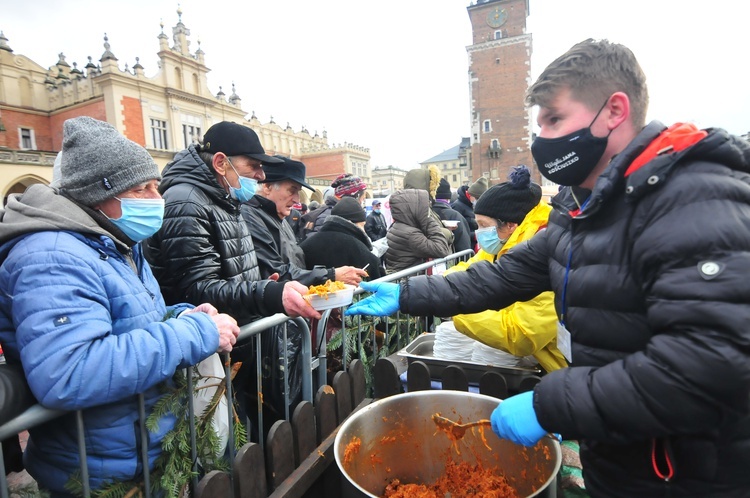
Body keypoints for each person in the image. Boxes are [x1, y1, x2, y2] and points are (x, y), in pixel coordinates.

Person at [346, 39, 750, 497]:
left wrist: (551, 405)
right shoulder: (580, 208)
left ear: (614, 110)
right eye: (540, 124)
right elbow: (502, 276)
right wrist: (409, 295)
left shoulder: (694, 196)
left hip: (690, 473)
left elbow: (708, 362)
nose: (543, 139)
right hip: (620, 455)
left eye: (555, 119)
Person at [0, 116, 240, 496]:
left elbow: (129, 323)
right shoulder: (51, 256)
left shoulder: (114, 241)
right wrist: (193, 333)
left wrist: (182, 316)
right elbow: (70, 372)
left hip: (134, 453)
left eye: (155, 186)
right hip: (97, 471)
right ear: (97, 194)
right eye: (142, 189)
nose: (157, 199)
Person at [144, 121, 320, 424]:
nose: (262, 176)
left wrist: (260, 284)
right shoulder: (187, 201)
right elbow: (198, 289)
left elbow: (229, 271)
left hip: (234, 346)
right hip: (207, 355)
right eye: (253, 166)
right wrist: (265, 293)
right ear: (221, 162)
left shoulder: (224, 198)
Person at [444, 166, 565, 374]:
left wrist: (453, 307)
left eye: (483, 225)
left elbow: (521, 334)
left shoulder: (548, 255)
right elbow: (472, 267)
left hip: (560, 368)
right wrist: (437, 288)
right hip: (537, 359)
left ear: (510, 225)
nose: (479, 232)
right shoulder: (504, 243)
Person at [241, 155, 367, 286]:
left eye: (298, 192)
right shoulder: (250, 216)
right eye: (292, 191)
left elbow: (295, 262)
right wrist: (330, 275)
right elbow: (276, 272)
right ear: (267, 187)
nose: (297, 199)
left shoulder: (279, 218)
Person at [300, 197, 384, 281]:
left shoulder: (306, 245)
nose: (364, 230)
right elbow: (377, 278)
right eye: (362, 225)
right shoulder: (358, 249)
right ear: (352, 223)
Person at [384, 188, 451, 273]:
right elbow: (441, 249)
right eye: (423, 207)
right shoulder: (410, 234)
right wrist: (428, 219)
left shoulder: (398, 226)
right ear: (412, 209)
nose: (426, 210)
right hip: (408, 282)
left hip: (402, 279)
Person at [299, 173, 367, 240]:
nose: (363, 201)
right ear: (356, 196)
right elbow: (322, 246)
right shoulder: (327, 216)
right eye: (363, 198)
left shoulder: (339, 212)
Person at [403, 165, 454, 249]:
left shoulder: (415, 205)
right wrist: (448, 233)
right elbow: (424, 233)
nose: (433, 188)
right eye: (431, 183)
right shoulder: (417, 207)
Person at [432, 178, 471, 253]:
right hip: (453, 261)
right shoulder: (454, 215)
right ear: (448, 197)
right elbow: (464, 247)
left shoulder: (423, 213)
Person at [452, 176, 488, 248]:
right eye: (478, 199)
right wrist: (474, 235)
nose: (478, 201)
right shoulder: (457, 206)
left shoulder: (472, 206)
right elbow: (458, 230)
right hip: (466, 245)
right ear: (470, 195)